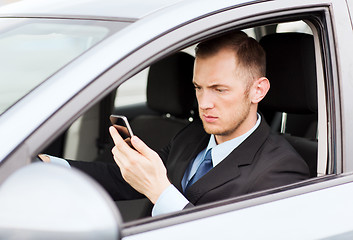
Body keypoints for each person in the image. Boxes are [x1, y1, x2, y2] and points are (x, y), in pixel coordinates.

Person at [40, 31, 310, 216]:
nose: (204, 103)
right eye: (198, 87)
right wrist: (48, 166)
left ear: (257, 91)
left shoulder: (283, 171)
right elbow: (128, 180)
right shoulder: (192, 134)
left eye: (219, 89)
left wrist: (161, 192)